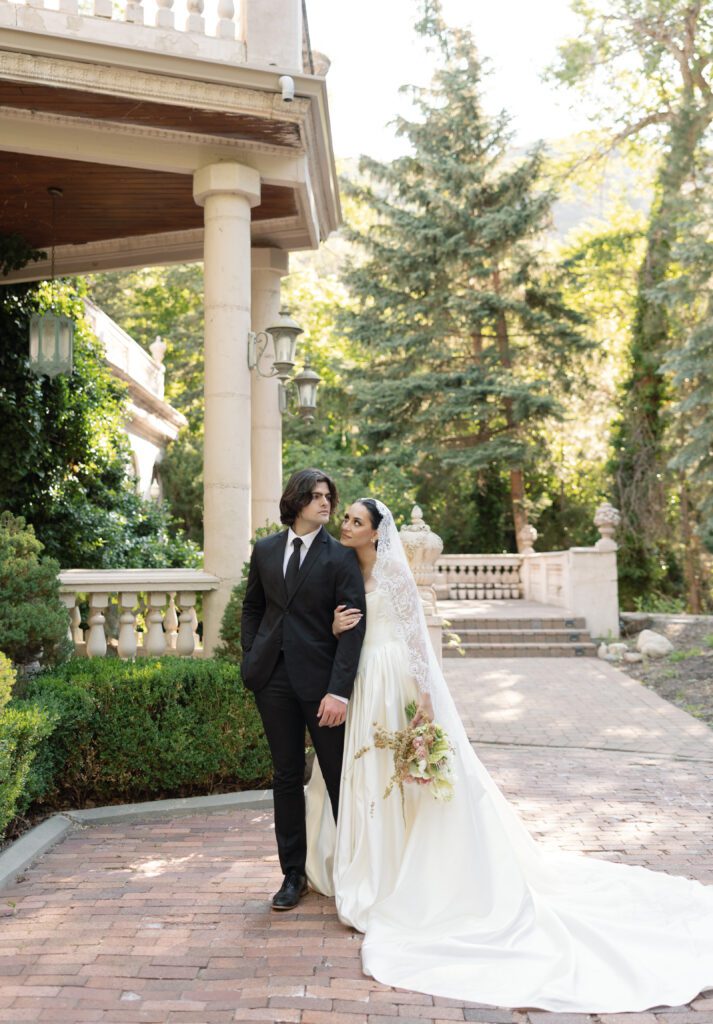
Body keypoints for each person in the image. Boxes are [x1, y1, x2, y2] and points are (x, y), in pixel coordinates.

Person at [305, 497, 713, 1012]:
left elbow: (416, 641)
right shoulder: (345, 571)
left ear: (375, 532)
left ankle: (403, 873)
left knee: (402, 775)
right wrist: (339, 629)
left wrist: (425, 699)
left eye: (355, 522)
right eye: (346, 519)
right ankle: (372, 862)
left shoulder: (396, 576)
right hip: (363, 680)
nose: (345, 525)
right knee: (368, 774)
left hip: (395, 684)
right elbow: (338, 627)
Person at [241, 468, 366, 911]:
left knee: (337, 777)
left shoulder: (339, 556)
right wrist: (250, 654)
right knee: (286, 776)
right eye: (315, 496)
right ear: (295, 502)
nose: (326, 503)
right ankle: (292, 875)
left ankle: (352, 870)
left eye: (328, 496)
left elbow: (353, 629)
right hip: (272, 679)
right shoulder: (266, 550)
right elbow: (253, 606)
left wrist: (340, 691)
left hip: (321, 687)